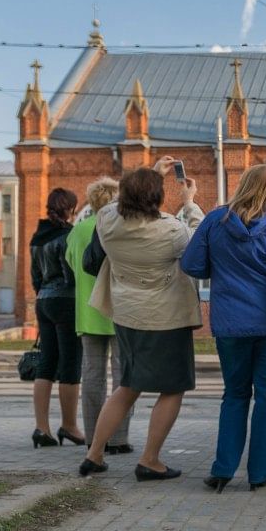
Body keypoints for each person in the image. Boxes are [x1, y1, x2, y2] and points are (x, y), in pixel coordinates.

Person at [181, 164, 266, 492]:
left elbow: (192, 264)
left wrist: (223, 268)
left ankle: (223, 469)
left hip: (230, 324)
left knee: (235, 394)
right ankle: (259, 474)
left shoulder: (215, 220)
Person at [76, 159, 203, 481]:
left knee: (128, 386)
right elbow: (200, 244)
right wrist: (189, 204)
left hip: (126, 314)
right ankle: (150, 460)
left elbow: (117, 205)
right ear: (158, 198)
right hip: (165, 318)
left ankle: (94, 454)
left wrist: (150, 176)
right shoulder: (170, 230)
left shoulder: (106, 221)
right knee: (173, 388)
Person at [65, 177, 132, 454]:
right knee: (122, 377)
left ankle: (93, 437)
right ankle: (117, 439)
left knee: (91, 376)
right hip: (119, 310)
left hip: (88, 312)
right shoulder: (120, 228)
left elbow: (71, 264)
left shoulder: (78, 231)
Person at [30, 187, 84, 449]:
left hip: (43, 301)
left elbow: (35, 278)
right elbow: (70, 274)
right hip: (66, 301)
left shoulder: (37, 236)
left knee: (46, 363)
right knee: (70, 364)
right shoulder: (68, 235)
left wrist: (44, 291)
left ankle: (42, 428)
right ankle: (70, 425)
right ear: (71, 209)